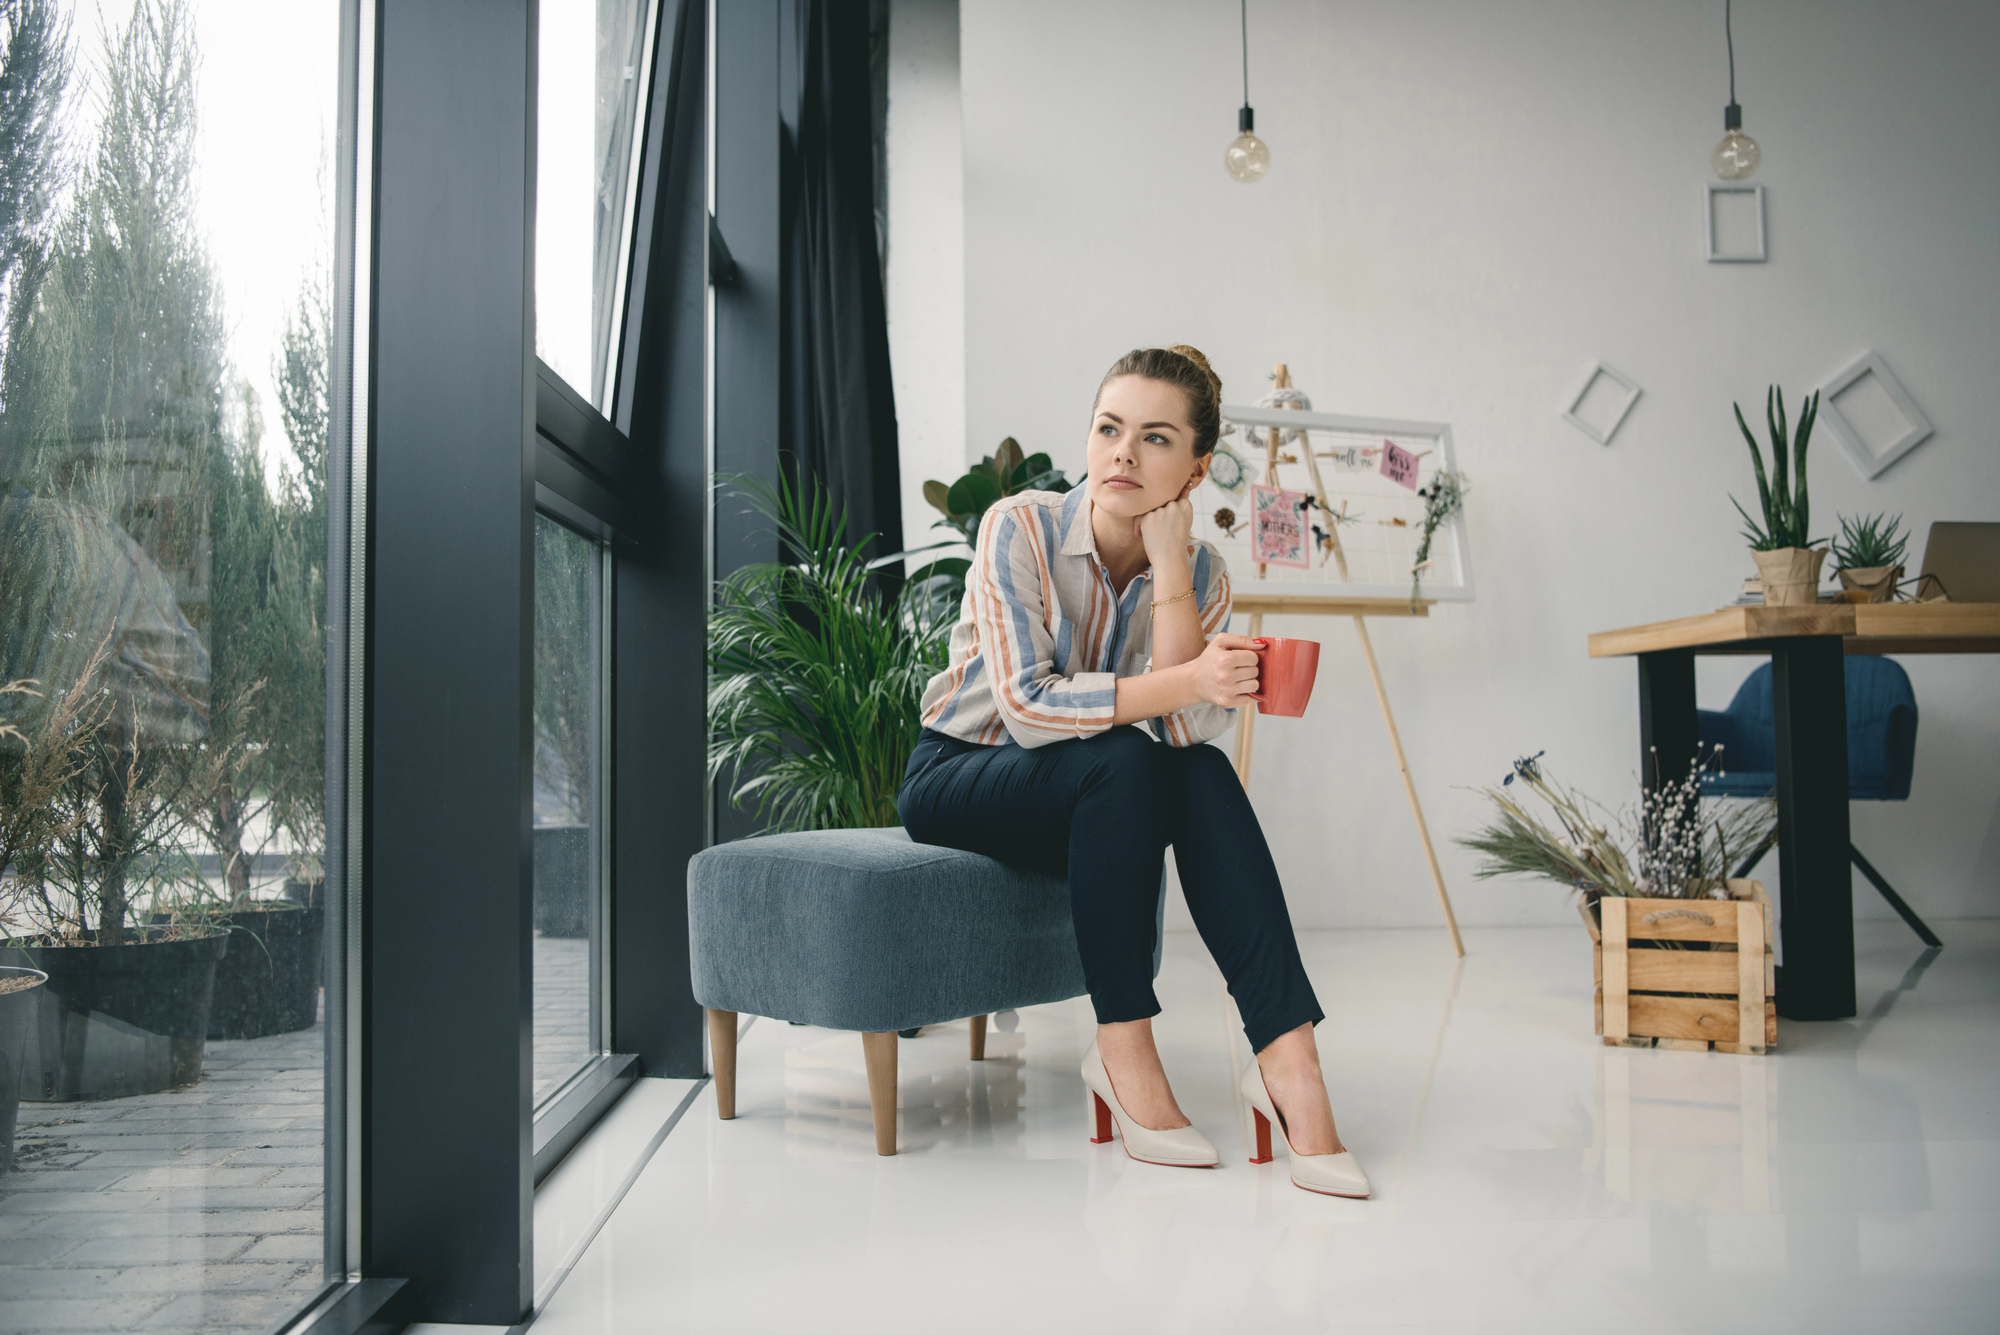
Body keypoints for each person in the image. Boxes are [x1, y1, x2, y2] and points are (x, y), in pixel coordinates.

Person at [896, 346, 1368, 1199]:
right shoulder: (1021, 526)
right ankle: (1122, 1044)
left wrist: (1174, 578)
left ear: (1192, 470)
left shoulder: (1207, 573)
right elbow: (1031, 708)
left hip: (1098, 793)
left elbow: (1185, 734)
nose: (1122, 454)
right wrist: (1185, 677)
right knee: (1120, 755)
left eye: (1154, 439)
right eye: (1109, 428)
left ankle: (1289, 1059)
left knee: (1201, 775)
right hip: (964, 773)